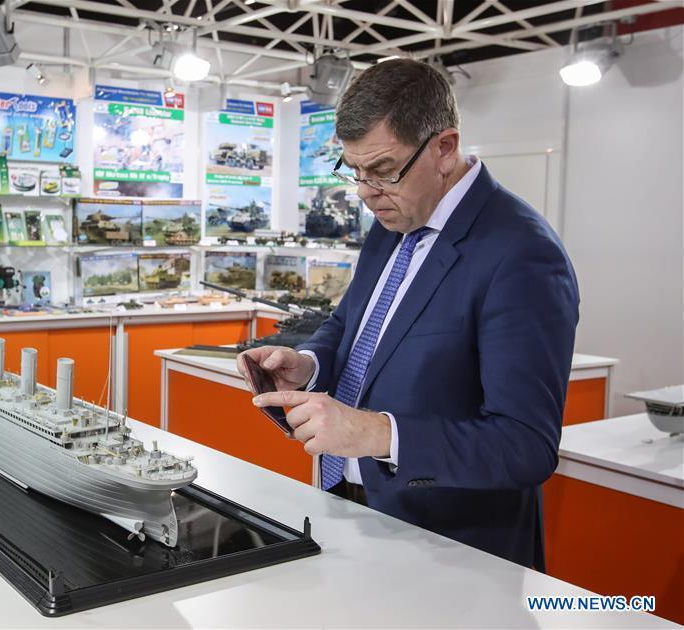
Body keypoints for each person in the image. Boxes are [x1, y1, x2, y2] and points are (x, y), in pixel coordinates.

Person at [237, 58, 579, 570]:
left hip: (450, 549)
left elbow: (525, 446)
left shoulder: (521, 253)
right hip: (351, 513)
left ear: (444, 148)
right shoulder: (394, 217)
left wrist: (378, 434)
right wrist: (308, 364)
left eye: (381, 171)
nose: (363, 192)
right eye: (353, 172)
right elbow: (351, 324)